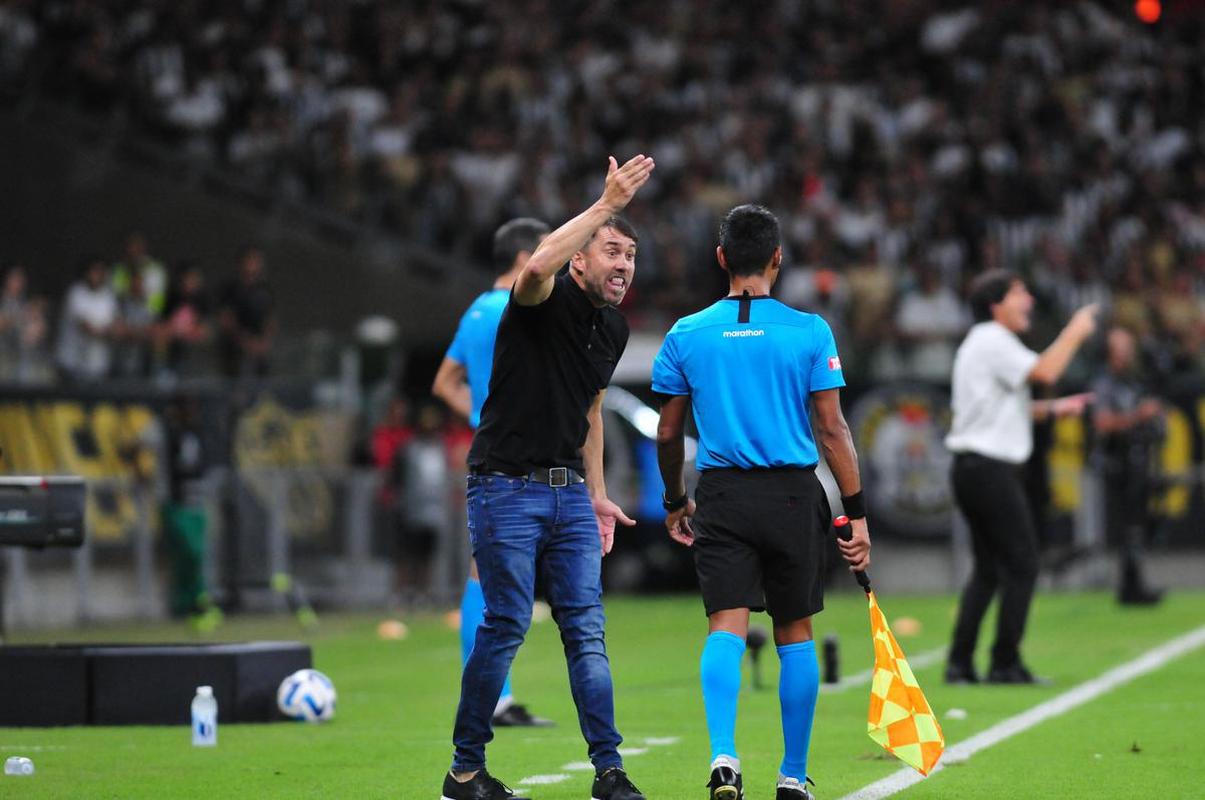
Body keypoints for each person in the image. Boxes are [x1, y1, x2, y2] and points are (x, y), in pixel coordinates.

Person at [442, 154, 655, 800]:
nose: (623, 264)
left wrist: (596, 495)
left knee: (586, 629)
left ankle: (609, 772)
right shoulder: (538, 299)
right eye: (611, 251)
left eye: (631, 256)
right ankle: (465, 772)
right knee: (505, 624)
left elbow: (590, 408)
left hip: (567, 497)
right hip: (503, 487)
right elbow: (535, 266)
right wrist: (604, 204)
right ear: (580, 260)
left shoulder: (613, 329)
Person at [653, 205, 872, 800]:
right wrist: (855, 510)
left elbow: (669, 433)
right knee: (795, 630)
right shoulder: (809, 331)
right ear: (778, 258)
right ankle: (793, 775)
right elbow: (832, 431)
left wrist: (676, 498)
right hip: (793, 496)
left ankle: (724, 757)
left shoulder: (686, 333)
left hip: (721, 494)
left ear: (720, 258)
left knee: (726, 625)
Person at [944, 269, 1097, 685]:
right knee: (1024, 563)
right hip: (990, 469)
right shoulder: (994, 339)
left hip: (971, 467)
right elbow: (1046, 371)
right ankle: (1004, 663)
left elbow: (997, 409)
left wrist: (1053, 409)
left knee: (990, 569)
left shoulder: (978, 344)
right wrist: (1075, 331)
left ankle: (960, 663)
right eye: (1019, 292)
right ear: (996, 304)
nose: (1028, 299)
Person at [432, 217, 554, 729]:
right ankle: (494, 698)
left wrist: (482, 418)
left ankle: (493, 694)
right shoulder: (522, 308)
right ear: (528, 257)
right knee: (506, 580)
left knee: (487, 575)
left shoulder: (477, 310)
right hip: (521, 460)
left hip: (491, 455)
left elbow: (444, 383)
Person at [1090, 326, 1165, 606]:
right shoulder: (1104, 382)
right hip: (1115, 464)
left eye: (1128, 348)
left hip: (1138, 460)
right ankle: (1129, 587)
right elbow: (1102, 422)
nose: (1126, 355)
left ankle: (1134, 583)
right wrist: (1138, 416)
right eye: (1121, 349)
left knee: (1138, 525)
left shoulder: (1133, 381)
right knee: (1128, 527)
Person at [55, 256, 117, 383]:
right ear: (86, 272)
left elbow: (116, 323)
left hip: (97, 366)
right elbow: (86, 327)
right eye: (94, 271)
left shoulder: (108, 296)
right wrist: (113, 332)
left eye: (101, 272)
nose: (97, 275)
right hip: (72, 364)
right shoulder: (76, 293)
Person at [217, 245, 275, 378]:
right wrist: (246, 341)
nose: (254, 264)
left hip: (260, 348)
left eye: (257, 261)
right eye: (251, 260)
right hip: (235, 348)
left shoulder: (265, 289)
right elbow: (225, 319)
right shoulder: (230, 288)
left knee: (262, 384)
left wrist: (264, 341)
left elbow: (270, 318)